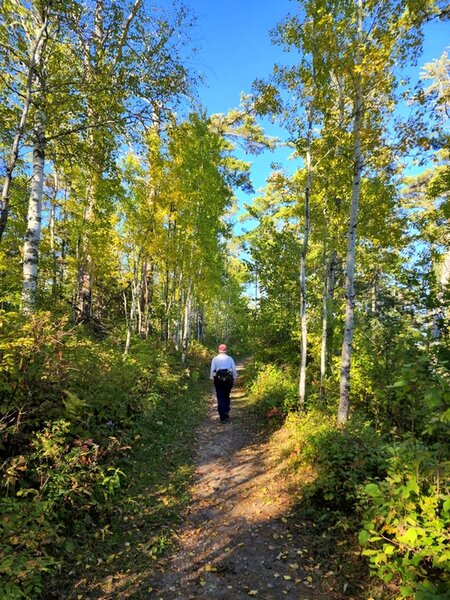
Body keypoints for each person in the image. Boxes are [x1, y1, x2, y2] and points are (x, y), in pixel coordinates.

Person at [210, 344, 237, 423]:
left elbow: (212, 370)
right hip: (228, 380)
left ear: (219, 350)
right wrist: (234, 377)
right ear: (226, 350)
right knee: (226, 395)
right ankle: (226, 412)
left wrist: (212, 378)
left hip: (218, 380)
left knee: (220, 396)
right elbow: (234, 369)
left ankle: (222, 416)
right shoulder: (230, 358)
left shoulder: (215, 359)